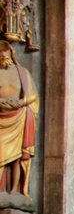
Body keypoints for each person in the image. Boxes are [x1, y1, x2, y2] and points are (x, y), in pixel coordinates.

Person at [0, 41, 39, 197]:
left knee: (17, 157)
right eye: (0, 53)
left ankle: (15, 190)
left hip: (19, 117)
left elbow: (33, 95)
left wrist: (20, 102)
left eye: (5, 52)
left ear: (11, 53)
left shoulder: (22, 72)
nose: (3, 56)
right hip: (2, 118)